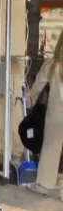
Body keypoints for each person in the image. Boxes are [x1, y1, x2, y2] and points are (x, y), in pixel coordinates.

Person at [28, 32, 63, 195]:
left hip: (56, 115)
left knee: (50, 148)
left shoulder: (52, 65)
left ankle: (44, 184)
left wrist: (30, 97)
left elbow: (37, 88)